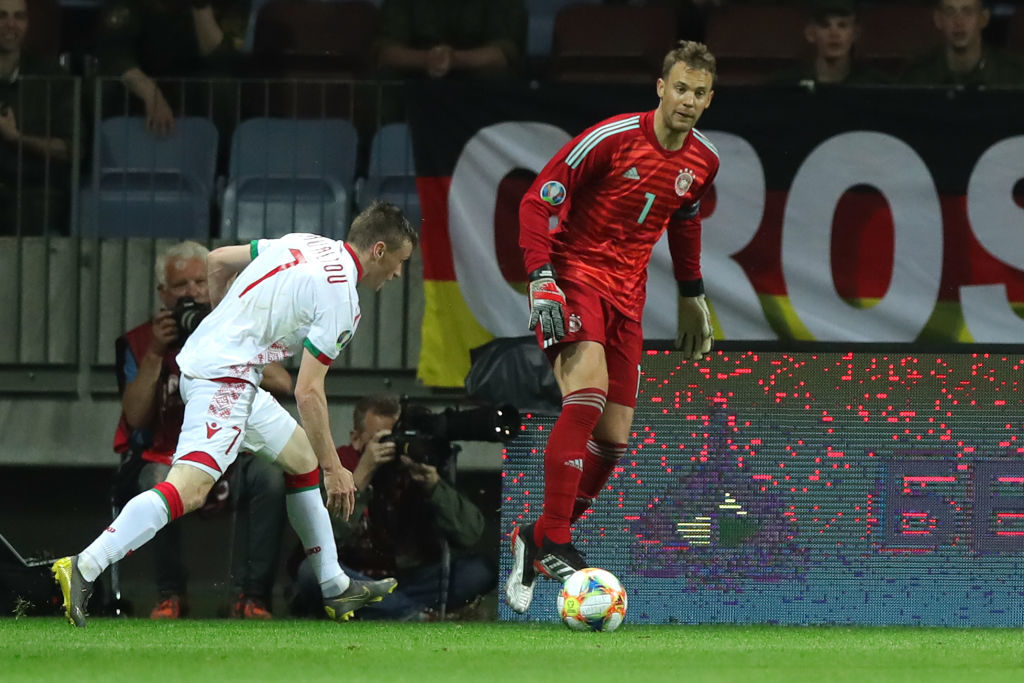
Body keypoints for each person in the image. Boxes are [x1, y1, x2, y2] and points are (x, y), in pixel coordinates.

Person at [52, 200, 418, 627]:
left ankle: (335, 587)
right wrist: (336, 468)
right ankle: (83, 566)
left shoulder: (307, 243)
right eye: (399, 262)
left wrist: (224, 317)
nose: (397, 273)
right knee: (189, 490)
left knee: (301, 457)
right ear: (378, 250)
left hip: (217, 364)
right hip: (225, 381)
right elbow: (309, 392)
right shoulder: (343, 301)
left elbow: (218, 258)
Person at [504, 40, 718, 614]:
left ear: (709, 98)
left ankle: (535, 536)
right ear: (660, 87)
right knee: (588, 393)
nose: (688, 100)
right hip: (575, 276)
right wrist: (540, 276)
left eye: (699, 92)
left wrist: (692, 293)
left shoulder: (703, 161)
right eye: (680, 88)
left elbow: (686, 220)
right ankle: (556, 540)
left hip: (630, 296)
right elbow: (535, 201)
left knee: (615, 435)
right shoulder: (611, 138)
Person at [112, 240, 290, 619]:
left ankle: (251, 596)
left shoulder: (238, 325)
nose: (192, 292)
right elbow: (135, 417)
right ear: (164, 293)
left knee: (271, 478)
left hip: (234, 457)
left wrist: (225, 335)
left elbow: (284, 384)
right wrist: (157, 354)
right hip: (170, 456)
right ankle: (170, 595)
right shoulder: (141, 340)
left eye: (199, 282)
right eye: (180, 286)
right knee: (154, 482)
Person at [289, 394, 495, 621]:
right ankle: (416, 614)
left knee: (479, 571)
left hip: (405, 580)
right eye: (385, 439)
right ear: (356, 438)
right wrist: (361, 477)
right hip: (352, 575)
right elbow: (320, 537)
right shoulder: (338, 467)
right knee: (311, 573)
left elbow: (471, 534)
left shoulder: (416, 468)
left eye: (399, 438)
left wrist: (434, 486)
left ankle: (391, 610)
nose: (394, 446)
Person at [94, 0, 250, 134]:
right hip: (140, 79)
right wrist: (151, 93)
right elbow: (116, 53)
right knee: (103, 87)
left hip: (194, 82)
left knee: (221, 87)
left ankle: (219, 164)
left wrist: (200, 7)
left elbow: (222, 61)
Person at [0, 0, 75, 235]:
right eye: (1, 15)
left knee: (26, 213)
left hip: (33, 191)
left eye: (19, 17)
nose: (10, 24)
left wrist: (17, 138)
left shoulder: (53, 78)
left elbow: (70, 149)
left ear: (28, 24)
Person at [375, 0, 526, 80]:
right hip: (416, 77)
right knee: (384, 80)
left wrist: (454, 60)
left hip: (476, 77)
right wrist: (429, 60)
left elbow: (505, 53)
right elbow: (387, 51)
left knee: (496, 78)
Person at [901, 0, 1024, 87]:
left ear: (983, 18)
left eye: (967, 11)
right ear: (938, 19)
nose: (958, 22)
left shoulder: (1014, 76)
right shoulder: (917, 77)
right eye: (950, 12)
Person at [771, 0, 888, 86]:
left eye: (842, 25)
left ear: (855, 34)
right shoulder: (786, 85)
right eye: (825, 25)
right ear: (810, 34)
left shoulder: (874, 85)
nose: (834, 34)